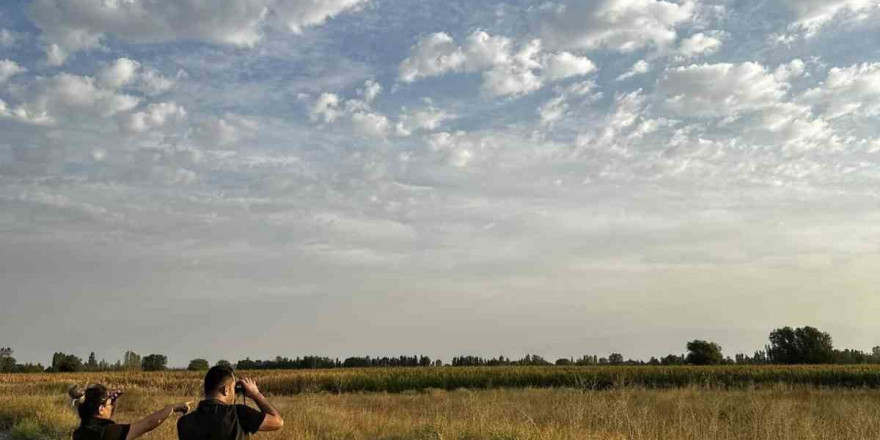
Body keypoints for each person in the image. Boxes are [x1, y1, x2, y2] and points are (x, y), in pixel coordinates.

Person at [177, 365, 284, 440]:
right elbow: (278, 422)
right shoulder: (238, 413)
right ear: (226, 389)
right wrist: (256, 394)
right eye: (234, 389)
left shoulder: (184, 422)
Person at [69, 384, 191, 440]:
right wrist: (173, 408)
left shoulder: (79, 433)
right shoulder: (109, 432)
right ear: (101, 409)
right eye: (110, 404)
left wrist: (111, 398)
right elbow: (149, 423)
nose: (112, 407)